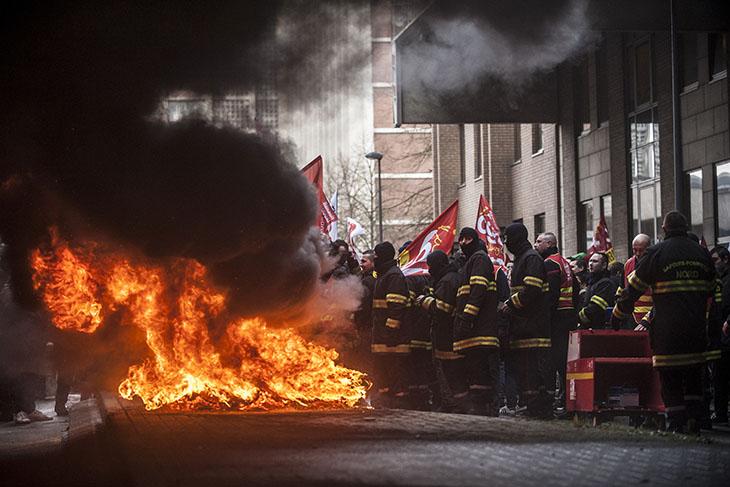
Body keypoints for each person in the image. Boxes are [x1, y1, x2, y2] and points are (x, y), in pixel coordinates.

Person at [612, 211, 715, 434]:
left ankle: (676, 424)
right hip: (696, 329)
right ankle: (694, 421)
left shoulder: (657, 253)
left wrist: (618, 314)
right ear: (686, 227)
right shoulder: (702, 253)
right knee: (694, 376)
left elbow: (633, 289)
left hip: (668, 331)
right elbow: (711, 290)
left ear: (664, 229)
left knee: (670, 377)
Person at [499, 223, 552, 418]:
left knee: (533, 370)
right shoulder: (522, 258)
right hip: (522, 326)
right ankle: (530, 406)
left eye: (507, 238)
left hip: (534, 327)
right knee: (525, 370)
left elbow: (532, 290)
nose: (506, 243)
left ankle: (539, 408)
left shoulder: (531, 258)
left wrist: (511, 304)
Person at [451, 227, 501, 415]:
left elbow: (477, 290)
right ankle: (480, 407)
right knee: (474, 368)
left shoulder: (479, 259)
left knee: (479, 368)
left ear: (472, 239)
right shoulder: (471, 261)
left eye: (465, 239)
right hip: (475, 327)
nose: (462, 243)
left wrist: (467, 317)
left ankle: (483, 407)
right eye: (461, 240)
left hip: (479, 327)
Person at [534, 232, 577, 412]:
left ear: (550, 243)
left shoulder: (550, 263)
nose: (535, 245)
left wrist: (544, 317)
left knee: (555, 360)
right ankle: (566, 399)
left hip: (556, 318)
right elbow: (575, 290)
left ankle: (556, 400)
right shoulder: (564, 262)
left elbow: (551, 294)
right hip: (568, 316)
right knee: (564, 360)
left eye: (539, 242)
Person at [418, 250, 465, 412]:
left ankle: (456, 405)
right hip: (449, 334)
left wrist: (425, 301)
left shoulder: (447, 281)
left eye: (431, 266)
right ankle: (455, 404)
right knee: (451, 372)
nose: (429, 269)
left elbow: (443, 309)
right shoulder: (450, 277)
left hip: (447, 334)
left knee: (451, 372)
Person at [370, 241, 411, 408]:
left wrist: (389, 333)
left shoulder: (393, 276)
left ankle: (399, 406)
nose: (374, 258)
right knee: (384, 374)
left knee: (395, 374)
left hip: (393, 339)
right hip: (383, 336)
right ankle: (386, 403)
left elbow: (396, 308)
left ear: (383, 256)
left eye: (376, 255)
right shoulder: (385, 275)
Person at [405, 272, 434, 410]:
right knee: (423, 369)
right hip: (426, 334)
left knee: (413, 370)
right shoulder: (429, 279)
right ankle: (424, 401)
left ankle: (415, 401)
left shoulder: (411, 279)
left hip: (413, 333)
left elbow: (407, 304)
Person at [709, 246, 730, 424]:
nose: (713, 264)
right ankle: (721, 412)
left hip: (726, 330)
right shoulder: (717, 280)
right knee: (719, 376)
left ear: (725, 259)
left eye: (715, 260)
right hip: (720, 335)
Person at [577, 252, 618, 328]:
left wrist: (577, 318)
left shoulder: (606, 283)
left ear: (604, 265)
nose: (590, 264)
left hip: (600, 328)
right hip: (589, 327)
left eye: (595, 261)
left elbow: (595, 309)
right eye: (590, 261)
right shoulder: (592, 283)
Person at [353, 251, 376, 375]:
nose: (361, 264)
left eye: (364, 261)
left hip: (367, 326)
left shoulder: (369, 281)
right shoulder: (365, 278)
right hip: (367, 325)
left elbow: (363, 306)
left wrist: (358, 323)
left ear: (373, 263)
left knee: (365, 357)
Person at [623, 234, 653, 330]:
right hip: (632, 316)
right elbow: (623, 288)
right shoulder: (628, 264)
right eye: (635, 250)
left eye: (641, 250)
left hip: (652, 317)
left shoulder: (655, 264)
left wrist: (648, 319)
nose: (638, 253)